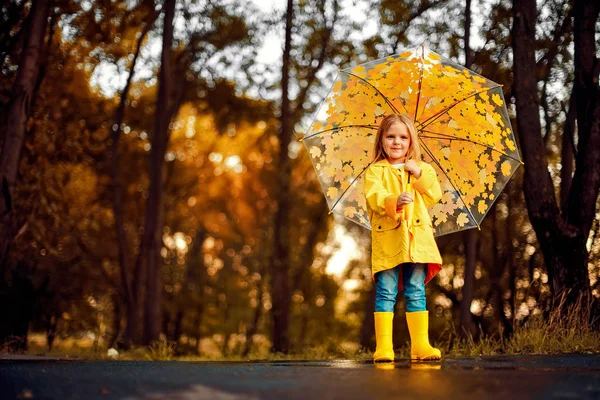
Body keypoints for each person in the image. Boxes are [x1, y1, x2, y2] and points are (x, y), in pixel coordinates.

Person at [363, 113, 443, 362]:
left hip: (417, 239)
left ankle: (420, 346)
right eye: (391, 136)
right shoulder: (375, 171)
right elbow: (374, 197)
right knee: (386, 291)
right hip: (389, 239)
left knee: (416, 289)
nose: (397, 142)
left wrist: (418, 174)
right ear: (382, 140)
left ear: (411, 142)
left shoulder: (421, 169)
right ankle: (384, 347)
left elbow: (434, 195)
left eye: (403, 137)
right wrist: (394, 201)